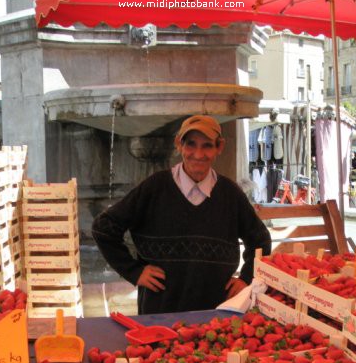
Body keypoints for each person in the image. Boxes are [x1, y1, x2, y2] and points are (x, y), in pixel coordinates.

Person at [92, 115, 271, 315]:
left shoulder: (230, 194)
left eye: (207, 146)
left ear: (219, 147)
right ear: (179, 144)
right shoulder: (155, 187)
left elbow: (260, 240)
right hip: (159, 312)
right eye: (191, 144)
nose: (198, 154)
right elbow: (104, 227)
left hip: (217, 312)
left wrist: (246, 279)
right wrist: (134, 271)